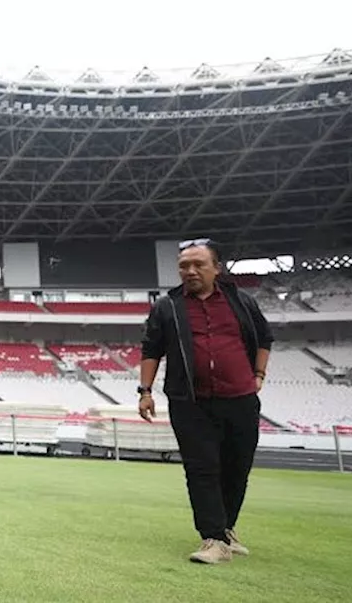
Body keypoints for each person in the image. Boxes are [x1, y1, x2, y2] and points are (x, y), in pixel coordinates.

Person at [139, 238, 273, 565]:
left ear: (217, 268)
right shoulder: (167, 307)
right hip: (190, 401)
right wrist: (145, 391)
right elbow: (151, 349)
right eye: (184, 266)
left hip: (240, 398)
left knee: (237, 468)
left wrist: (258, 375)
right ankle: (212, 537)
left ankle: (226, 529)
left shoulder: (241, 302)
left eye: (199, 264)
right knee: (201, 469)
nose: (190, 271)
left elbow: (265, 338)